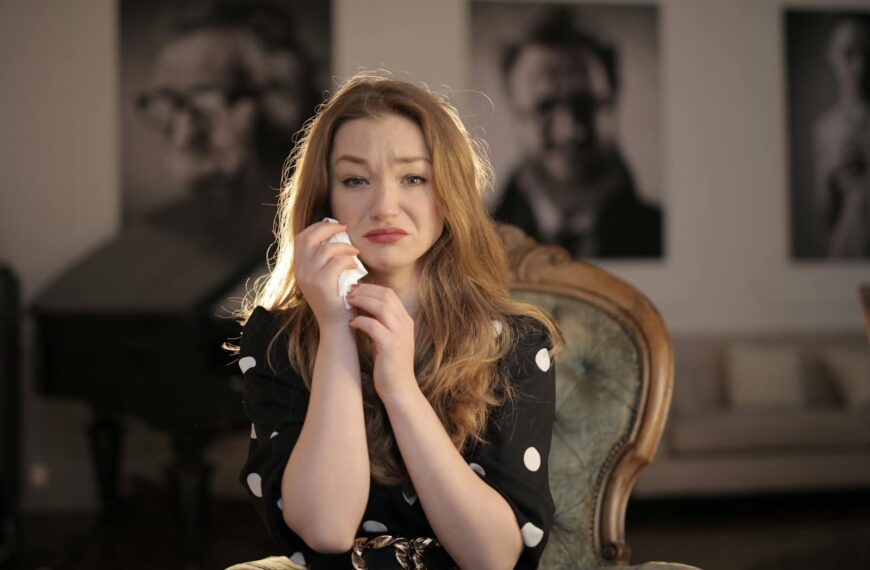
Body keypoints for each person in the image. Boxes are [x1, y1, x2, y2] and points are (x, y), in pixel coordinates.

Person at [230, 75, 564, 569]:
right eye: (355, 180)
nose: (385, 206)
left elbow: (493, 558)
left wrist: (400, 388)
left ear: (448, 192)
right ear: (326, 202)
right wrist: (336, 328)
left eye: (413, 178)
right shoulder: (277, 342)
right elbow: (325, 529)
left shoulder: (512, 343)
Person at [134, 0, 320, 257]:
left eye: (208, 101)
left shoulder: (327, 238)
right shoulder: (154, 241)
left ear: (283, 105)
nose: (184, 137)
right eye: (168, 104)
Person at [492, 9, 663, 258]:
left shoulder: (657, 234)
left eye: (585, 104)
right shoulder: (476, 241)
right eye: (545, 107)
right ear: (513, 109)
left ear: (615, 101)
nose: (569, 130)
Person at [812, 15, 870, 258]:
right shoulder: (824, 127)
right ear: (832, 56)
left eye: (863, 52)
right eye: (847, 53)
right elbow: (825, 213)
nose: (857, 65)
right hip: (845, 249)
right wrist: (829, 172)